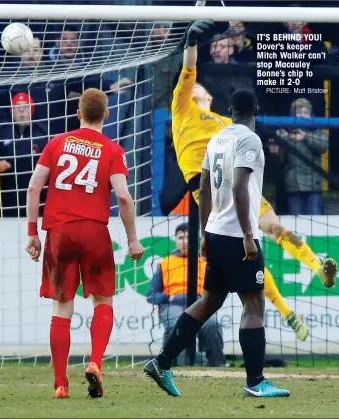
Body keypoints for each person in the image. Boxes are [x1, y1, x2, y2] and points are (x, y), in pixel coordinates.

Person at [163, 19, 337, 339]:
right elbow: (188, 73)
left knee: (274, 227)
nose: (195, 85)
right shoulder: (182, 108)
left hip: (237, 183)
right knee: (248, 253)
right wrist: (190, 43)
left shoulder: (221, 122)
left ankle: (319, 267)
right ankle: (287, 313)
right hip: (212, 191)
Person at [145, 89, 290, 398]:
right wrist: (249, 235)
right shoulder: (249, 139)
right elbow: (239, 185)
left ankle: (162, 361)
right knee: (253, 304)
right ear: (255, 110)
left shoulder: (217, 139)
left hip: (217, 233)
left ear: (229, 110)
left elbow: (203, 186)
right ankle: (255, 382)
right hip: (238, 236)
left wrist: (207, 232)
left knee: (209, 301)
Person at [25, 88, 145, 399]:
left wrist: (32, 232)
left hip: (59, 233)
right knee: (103, 301)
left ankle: (61, 384)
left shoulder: (56, 143)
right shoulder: (112, 149)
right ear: (106, 114)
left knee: (62, 307)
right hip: (94, 232)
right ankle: (94, 362)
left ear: (78, 114)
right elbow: (122, 196)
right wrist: (132, 239)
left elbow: (34, 186)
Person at [146, 222, 227, 367]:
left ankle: (217, 366)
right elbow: (151, 295)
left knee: (212, 325)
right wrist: (169, 298)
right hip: (173, 305)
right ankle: (168, 366)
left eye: (188, 238)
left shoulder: (206, 261)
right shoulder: (165, 263)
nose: (184, 242)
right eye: (180, 237)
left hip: (201, 304)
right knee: (177, 323)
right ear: (175, 240)